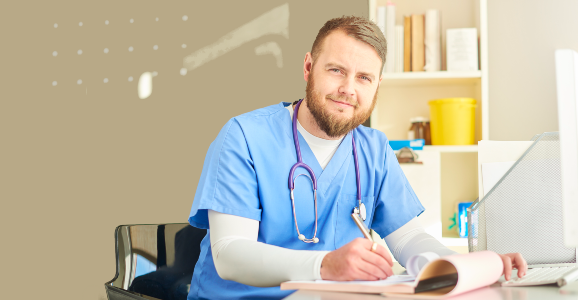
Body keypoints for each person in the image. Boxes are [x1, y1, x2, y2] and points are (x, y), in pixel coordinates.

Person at [186, 16, 527, 299]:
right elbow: (229, 253)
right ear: (308, 67)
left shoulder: (374, 149)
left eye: (364, 78)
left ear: (376, 87)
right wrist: (326, 265)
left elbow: (407, 239)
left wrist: (469, 266)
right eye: (336, 70)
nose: (349, 88)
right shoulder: (245, 137)